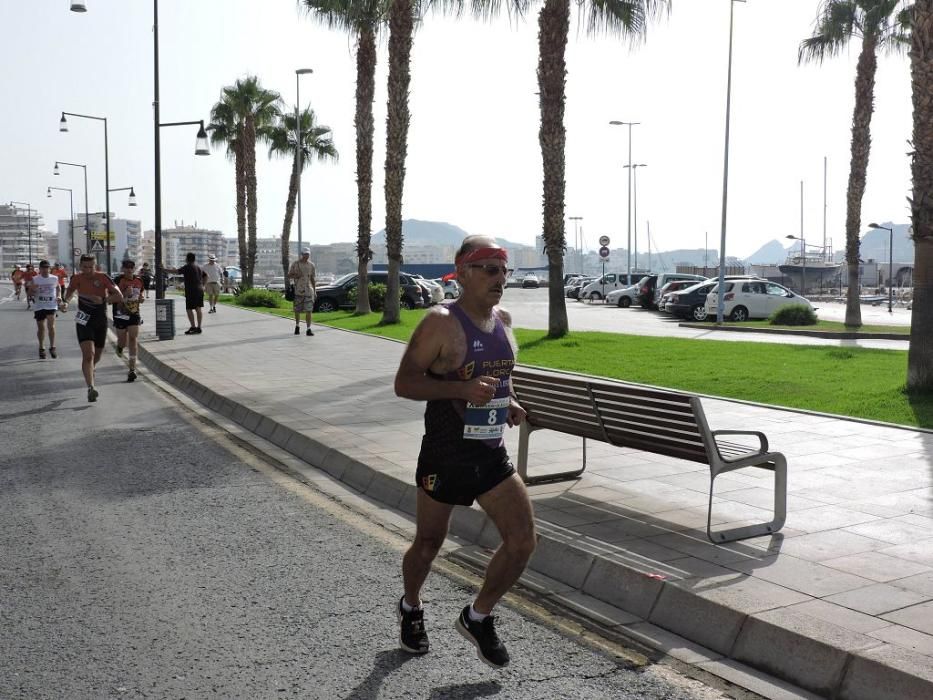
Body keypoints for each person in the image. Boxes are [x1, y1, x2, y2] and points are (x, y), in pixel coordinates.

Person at [393, 235, 535, 669]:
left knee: (522, 542)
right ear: (463, 272)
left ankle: (478, 616)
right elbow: (405, 383)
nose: (499, 279)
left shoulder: (504, 319)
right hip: (446, 451)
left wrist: (506, 402)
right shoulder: (440, 322)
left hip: (490, 451)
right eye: (489, 269)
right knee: (430, 542)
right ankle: (411, 606)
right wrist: (460, 389)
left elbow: (496, 376)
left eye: (504, 270)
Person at [62, 254, 124, 402]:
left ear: (95, 266)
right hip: (83, 319)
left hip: (100, 320)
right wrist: (65, 302)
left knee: (97, 356)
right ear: (80, 267)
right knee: (88, 354)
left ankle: (90, 369)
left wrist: (103, 300)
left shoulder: (103, 277)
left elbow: (119, 296)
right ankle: (91, 387)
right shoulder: (76, 278)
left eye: (91, 267)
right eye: (85, 267)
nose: (88, 270)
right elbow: (69, 292)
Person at [114, 259, 144, 382]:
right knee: (122, 341)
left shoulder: (139, 281)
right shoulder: (117, 280)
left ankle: (132, 369)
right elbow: (112, 298)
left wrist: (141, 298)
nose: (129, 269)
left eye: (131, 267)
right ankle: (119, 347)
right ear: (123, 268)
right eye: (126, 267)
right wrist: (125, 294)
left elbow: (140, 295)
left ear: (134, 268)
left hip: (134, 313)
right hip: (120, 313)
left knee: (133, 339)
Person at [27, 260, 62, 359]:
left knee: (51, 326)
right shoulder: (35, 279)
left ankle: (52, 347)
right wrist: (32, 289)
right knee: (41, 328)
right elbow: (29, 294)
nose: (45, 270)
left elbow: (58, 287)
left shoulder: (54, 278)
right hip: (39, 305)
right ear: (40, 269)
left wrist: (59, 296)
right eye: (43, 268)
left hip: (51, 305)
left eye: (47, 268)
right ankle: (41, 347)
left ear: (49, 268)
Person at [168, 253, 206, 334]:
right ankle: (199, 327)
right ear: (194, 259)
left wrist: (164, 269)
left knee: (189, 309)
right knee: (198, 308)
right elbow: (206, 276)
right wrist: (203, 285)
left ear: (187, 259)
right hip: (199, 290)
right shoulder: (198, 267)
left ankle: (193, 327)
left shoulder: (187, 266)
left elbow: (176, 271)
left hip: (191, 291)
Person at [288, 248, 317, 336]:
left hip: (308, 291)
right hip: (298, 291)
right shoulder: (295, 264)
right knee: (297, 310)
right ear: (301, 254)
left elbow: (313, 278)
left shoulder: (311, 265)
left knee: (309, 310)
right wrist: (296, 275)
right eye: (305, 254)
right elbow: (289, 275)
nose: (306, 256)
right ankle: (297, 326)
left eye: (308, 254)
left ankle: (308, 329)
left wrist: (315, 291)